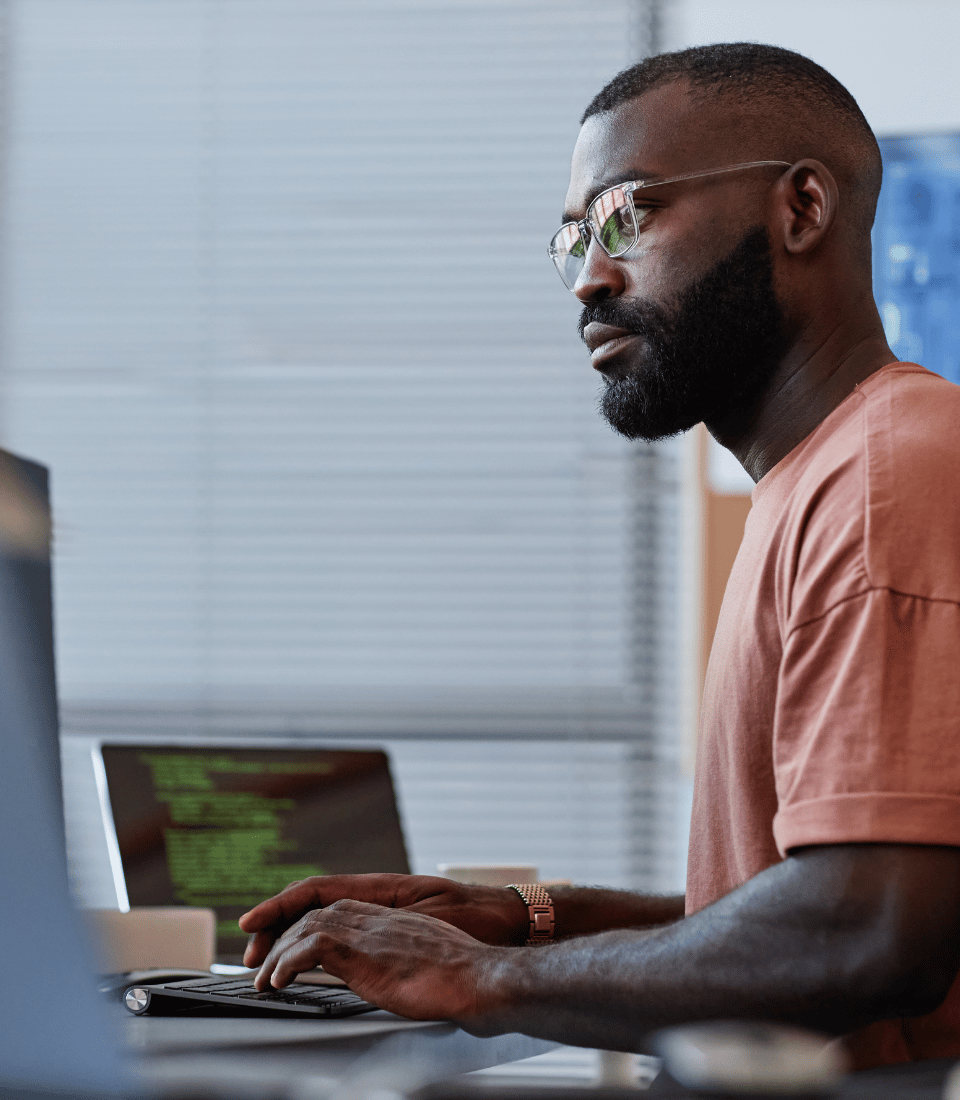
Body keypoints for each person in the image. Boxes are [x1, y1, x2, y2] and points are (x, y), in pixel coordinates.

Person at [239, 43, 960, 1069]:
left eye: (628, 215)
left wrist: (478, 979)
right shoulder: (827, 476)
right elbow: (783, 898)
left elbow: (866, 930)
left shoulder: (890, 476)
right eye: (575, 237)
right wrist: (525, 919)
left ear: (801, 209)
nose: (589, 279)